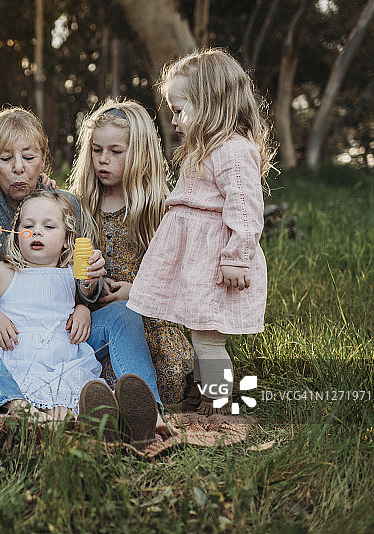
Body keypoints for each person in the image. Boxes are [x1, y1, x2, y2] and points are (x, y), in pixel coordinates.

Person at [0, 106, 170, 438]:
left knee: (123, 313)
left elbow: (82, 281)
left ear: (44, 160)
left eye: (29, 158)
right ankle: (13, 402)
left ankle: (150, 411)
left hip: (64, 335)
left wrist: (86, 295)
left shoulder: (66, 204)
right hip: (10, 339)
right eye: (6, 160)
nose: (19, 169)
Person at [127, 49, 274, 415]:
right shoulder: (206, 148)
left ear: (210, 104)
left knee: (209, 339)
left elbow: (246, 209)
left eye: (179, 110)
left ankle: (218, 400)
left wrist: (238, 258)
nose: (173, 118)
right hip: (198, 261)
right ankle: (202, 392)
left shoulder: (233, 151)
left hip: (217, 264)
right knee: (199, 333)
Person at [68, 98, 195, 406]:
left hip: (152, 318)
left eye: (115, 152)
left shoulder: (160, 208)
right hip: (97, 316)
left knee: (170, 372)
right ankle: (122, 405)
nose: (102, 161)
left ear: (138, 153)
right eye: (96, 151)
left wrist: (136, 290)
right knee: (93, 373)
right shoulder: (80, 205)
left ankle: (138, 405)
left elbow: (182, 276)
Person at [0, 190, 103, 422]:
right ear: (17, 233)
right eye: (29, 225)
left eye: (49, 227)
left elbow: (77, 301)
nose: (37, 231)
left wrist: (83, 309)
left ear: (67, 238)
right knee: (38, 402)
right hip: (22, 357)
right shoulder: (2, 273)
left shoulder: (71, 273)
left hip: (63, 358)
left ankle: (71, 427)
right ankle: (45, 425)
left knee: (65, 404)